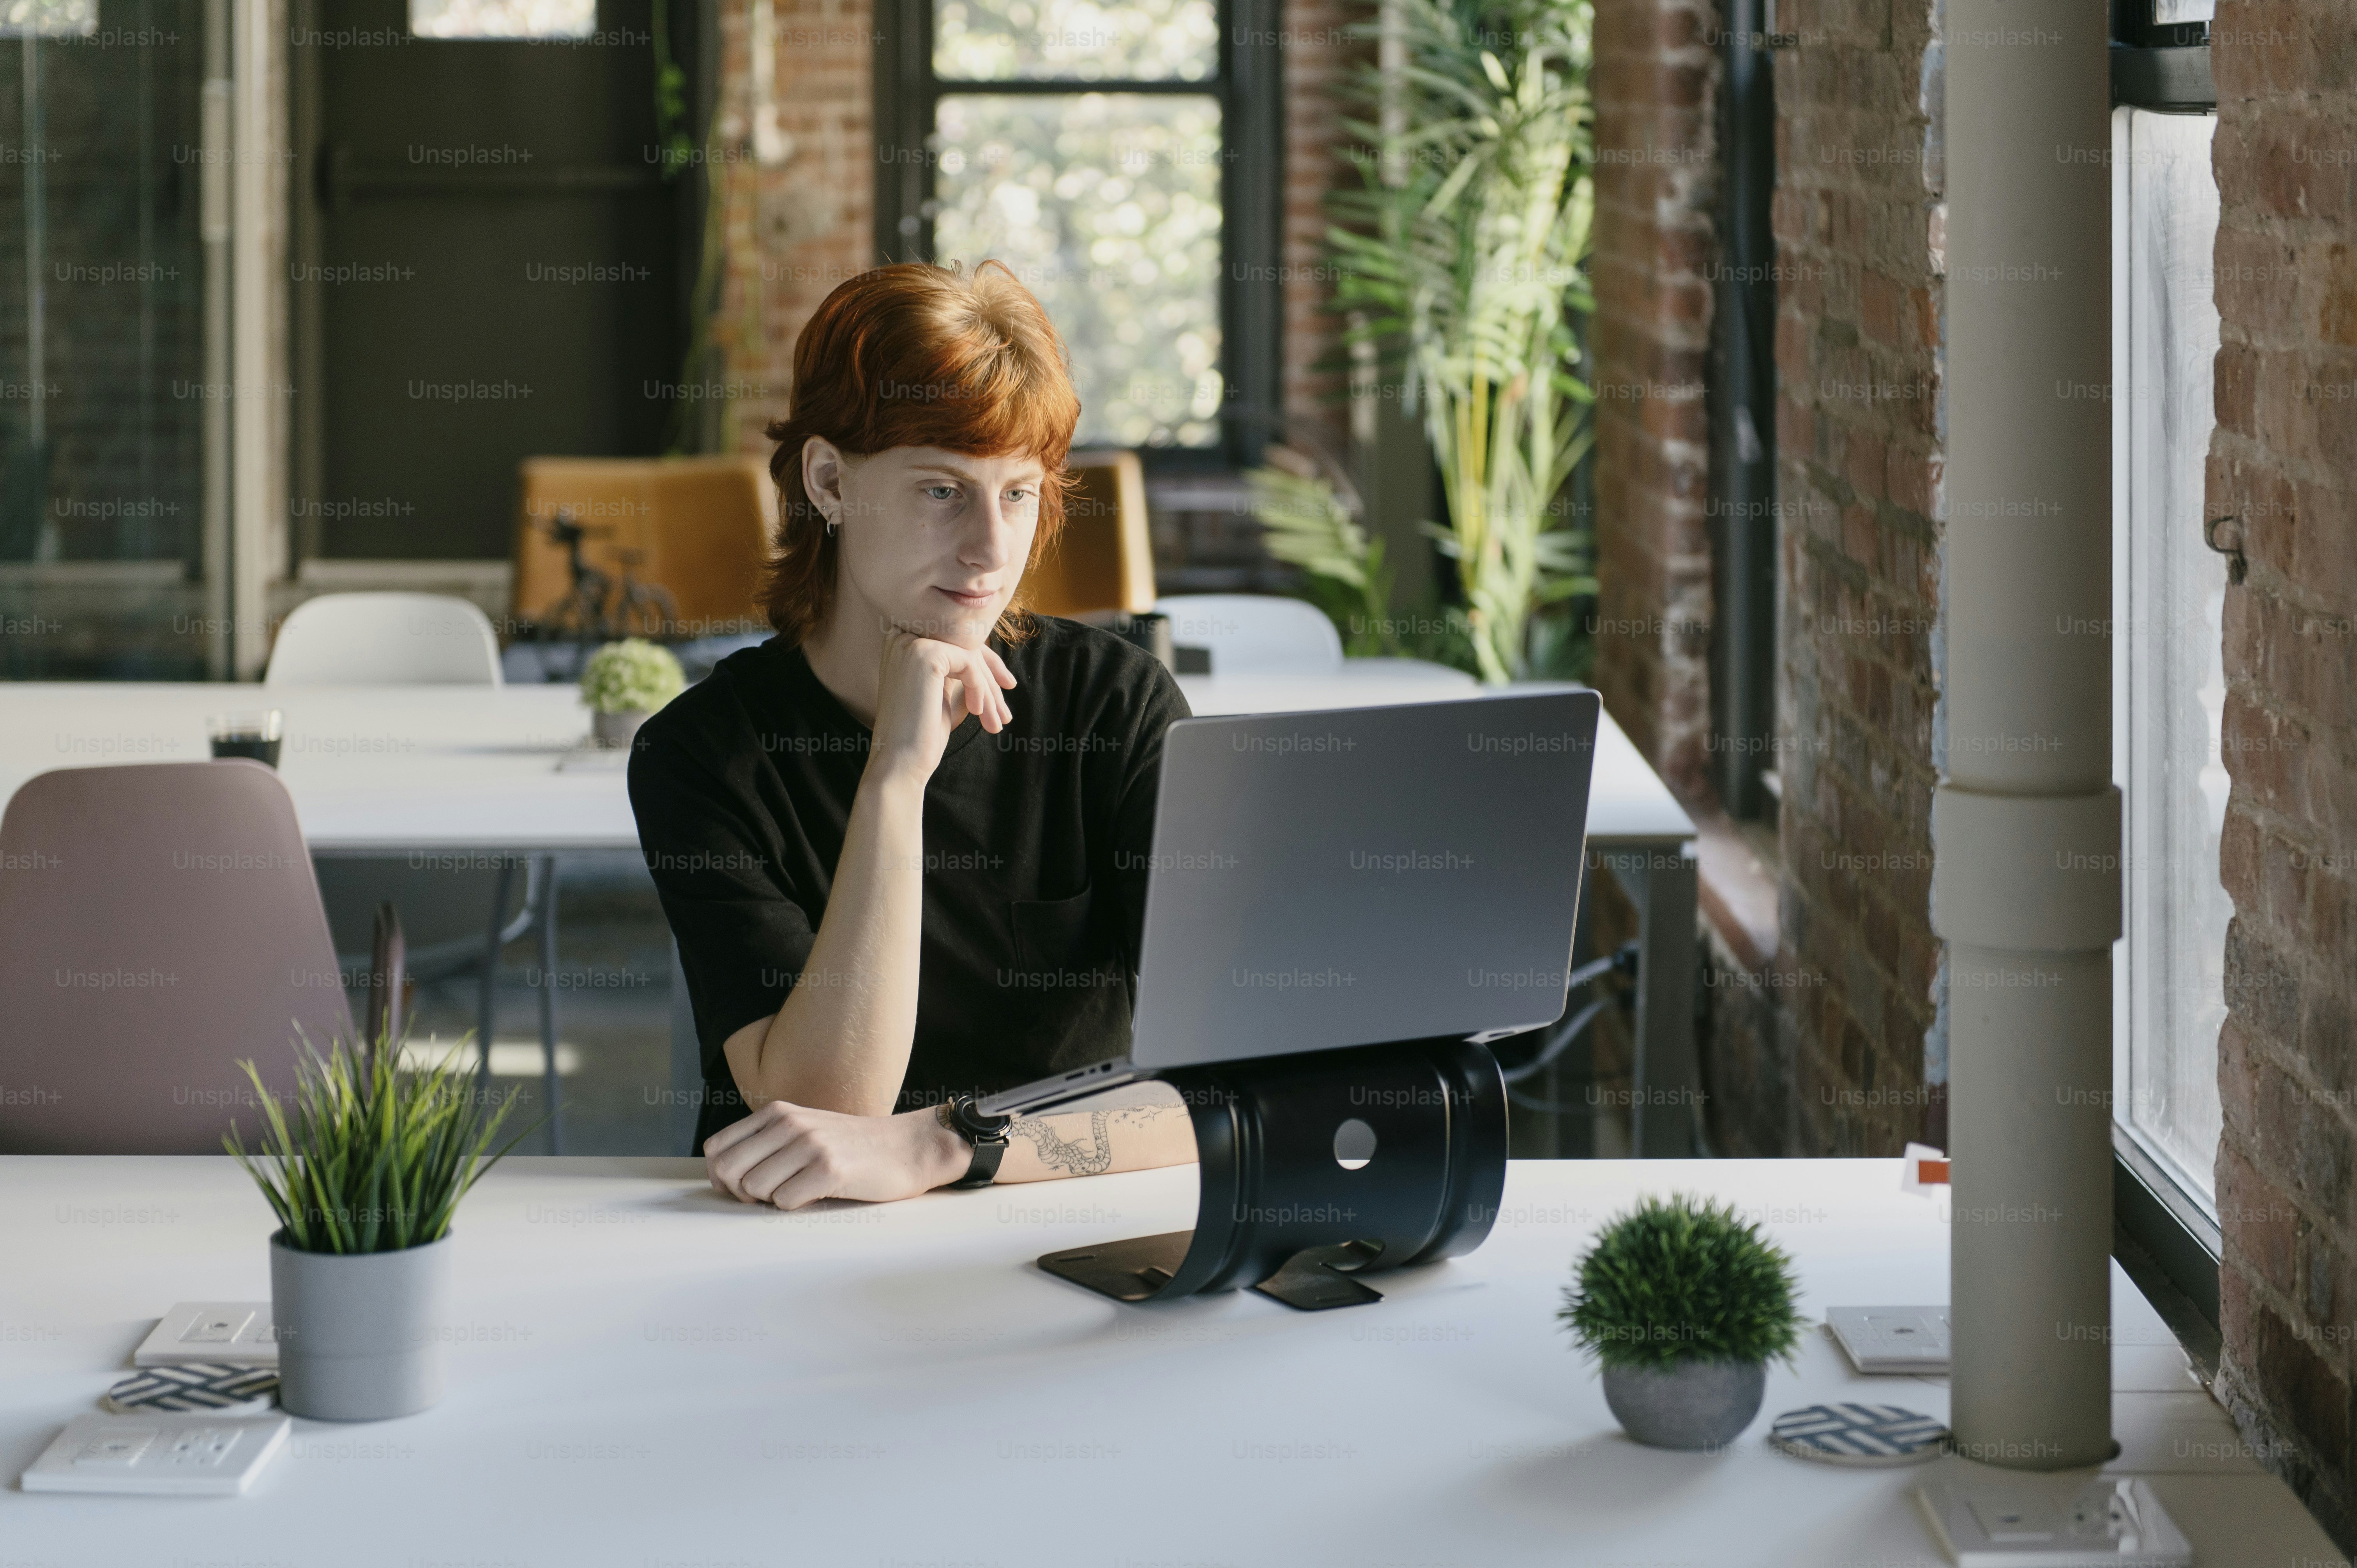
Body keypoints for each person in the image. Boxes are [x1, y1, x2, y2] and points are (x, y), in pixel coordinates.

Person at [627, 260, 1198, 1210]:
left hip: (1064, 1228)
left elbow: (1227, 1086)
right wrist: (895, 777)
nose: (989, 549)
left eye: (1017, 494)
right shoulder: (702, 753)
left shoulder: (1116, 708)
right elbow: (823, 1116)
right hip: (782, 1257)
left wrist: (941, 1147)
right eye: (941, 490)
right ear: (828, 480)